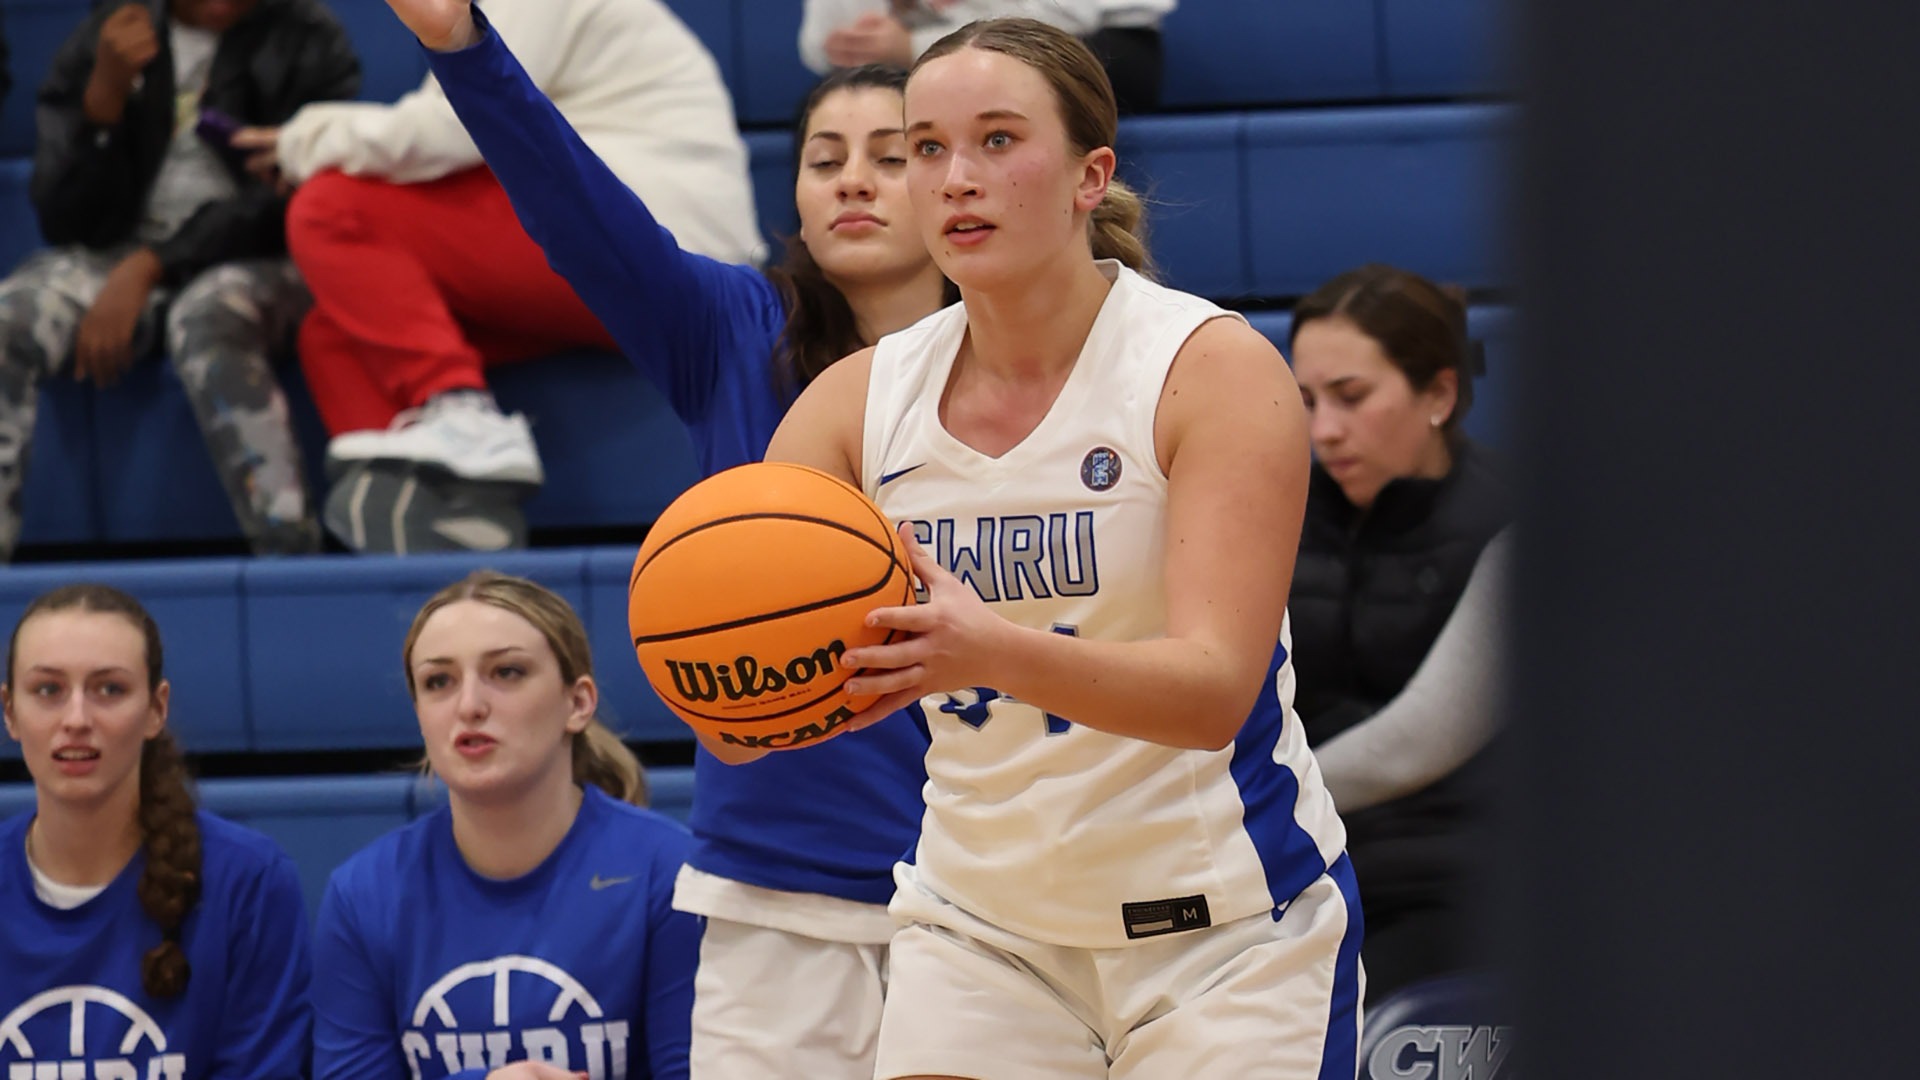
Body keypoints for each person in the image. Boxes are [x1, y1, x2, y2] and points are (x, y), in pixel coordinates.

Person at [764, 18, 1362, 1077]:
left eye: (997, 141)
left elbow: (1212, 691)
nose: (956, 179)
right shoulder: (853, 406)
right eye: (927, 149)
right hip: (980, 932)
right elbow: (745, 721)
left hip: (1223, 934)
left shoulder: (1207, 368)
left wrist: (984, 650)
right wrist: (746, 682)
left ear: (1092, 176)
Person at [379, 0, 952, 1067]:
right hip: (776, 891)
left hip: (983, 888)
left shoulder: (1018, 368)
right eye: (825, 159)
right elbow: (573, 207)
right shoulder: (733, 335)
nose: (854, 179)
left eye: (892, 153)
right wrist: (463, 45)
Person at [234, 0, 762, 553]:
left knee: (330, 206)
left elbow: (450, 127)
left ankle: (459, 405)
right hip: (618, 254)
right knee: (335, 332)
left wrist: (302, 140)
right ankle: (434, 527)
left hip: (663, 248)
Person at [0, 0, 359, 559]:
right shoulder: (109, 34)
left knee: (208, 316)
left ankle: (289, 554)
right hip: (112, 257)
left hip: (254, 260)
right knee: (8, 318)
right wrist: (103, 102)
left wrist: (155, 264)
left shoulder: (310, 38)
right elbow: (63, 218)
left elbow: (287, 204)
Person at [309, 570, 697, 1080]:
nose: (469, 705)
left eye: (507, 672)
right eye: (438, 682)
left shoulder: (669, 874)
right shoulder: (363, 895)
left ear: (577, 703)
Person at [1285, 263, 1512, 1005]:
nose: (1324, 431)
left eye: (1351, 398)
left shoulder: (1514, 519)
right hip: (1289, 866)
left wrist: (1262, 802)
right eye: (1307, 401)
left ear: (1439, 394)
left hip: (1452, 880)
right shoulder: (1272, 510)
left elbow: (1418, 740)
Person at [0, 584, 312, 1078]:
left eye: (110, 689)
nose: (76, 719)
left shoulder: (247, 883)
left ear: (156, 709)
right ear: (10, 712)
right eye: (47, 690)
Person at [801, 0, 1175, 114]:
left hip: (1098, 39)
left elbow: (1074, 15)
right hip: (921, 53)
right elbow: (823, 47)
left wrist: (916, 46)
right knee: (833, 106)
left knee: (1011, 84)